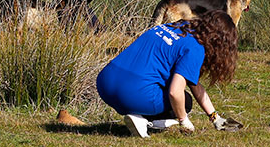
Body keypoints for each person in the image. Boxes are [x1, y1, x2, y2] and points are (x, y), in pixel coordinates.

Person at [96, 10, 238, 138]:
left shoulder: (173, 27)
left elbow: (192, 82)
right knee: (185, 102)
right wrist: (184, 120)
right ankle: (143, 120)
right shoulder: (195, 48)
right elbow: (175, 93)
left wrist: (214, 117)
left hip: (104, 82)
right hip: (130, 95)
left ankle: (140, 114)